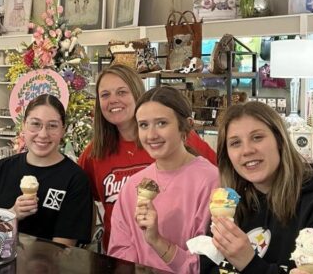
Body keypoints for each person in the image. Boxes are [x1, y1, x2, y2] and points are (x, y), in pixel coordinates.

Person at [78, 64, 217, 251]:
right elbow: (81, 198)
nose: (113, 100)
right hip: (123, 256)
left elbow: (219, 178)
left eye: (121, 92)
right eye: (105, 95)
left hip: (182, 257)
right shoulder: (95, 153)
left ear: (137, 94)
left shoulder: (178, 139)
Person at [202, 101, 313, 273]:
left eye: (257, 137)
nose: (246, 150)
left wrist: (249, 261)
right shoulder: (231, 204)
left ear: (280, 141)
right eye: (235, 143)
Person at [108, 86, 219, 272]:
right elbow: (119, 250)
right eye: (144, 125)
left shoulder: (211, 181)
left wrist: (157, 241)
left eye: (161, 123)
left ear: (186, 126)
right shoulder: (133, 185)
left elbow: (208, 264)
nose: (151, 135)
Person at [0, 94, 93, 246]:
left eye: (52, 125)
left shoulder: (75, 179)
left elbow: (63, 249)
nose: (43, 134)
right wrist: (11, 214)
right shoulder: (1, 170)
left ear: (63, 130)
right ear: (23, 126)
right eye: (35, 124)